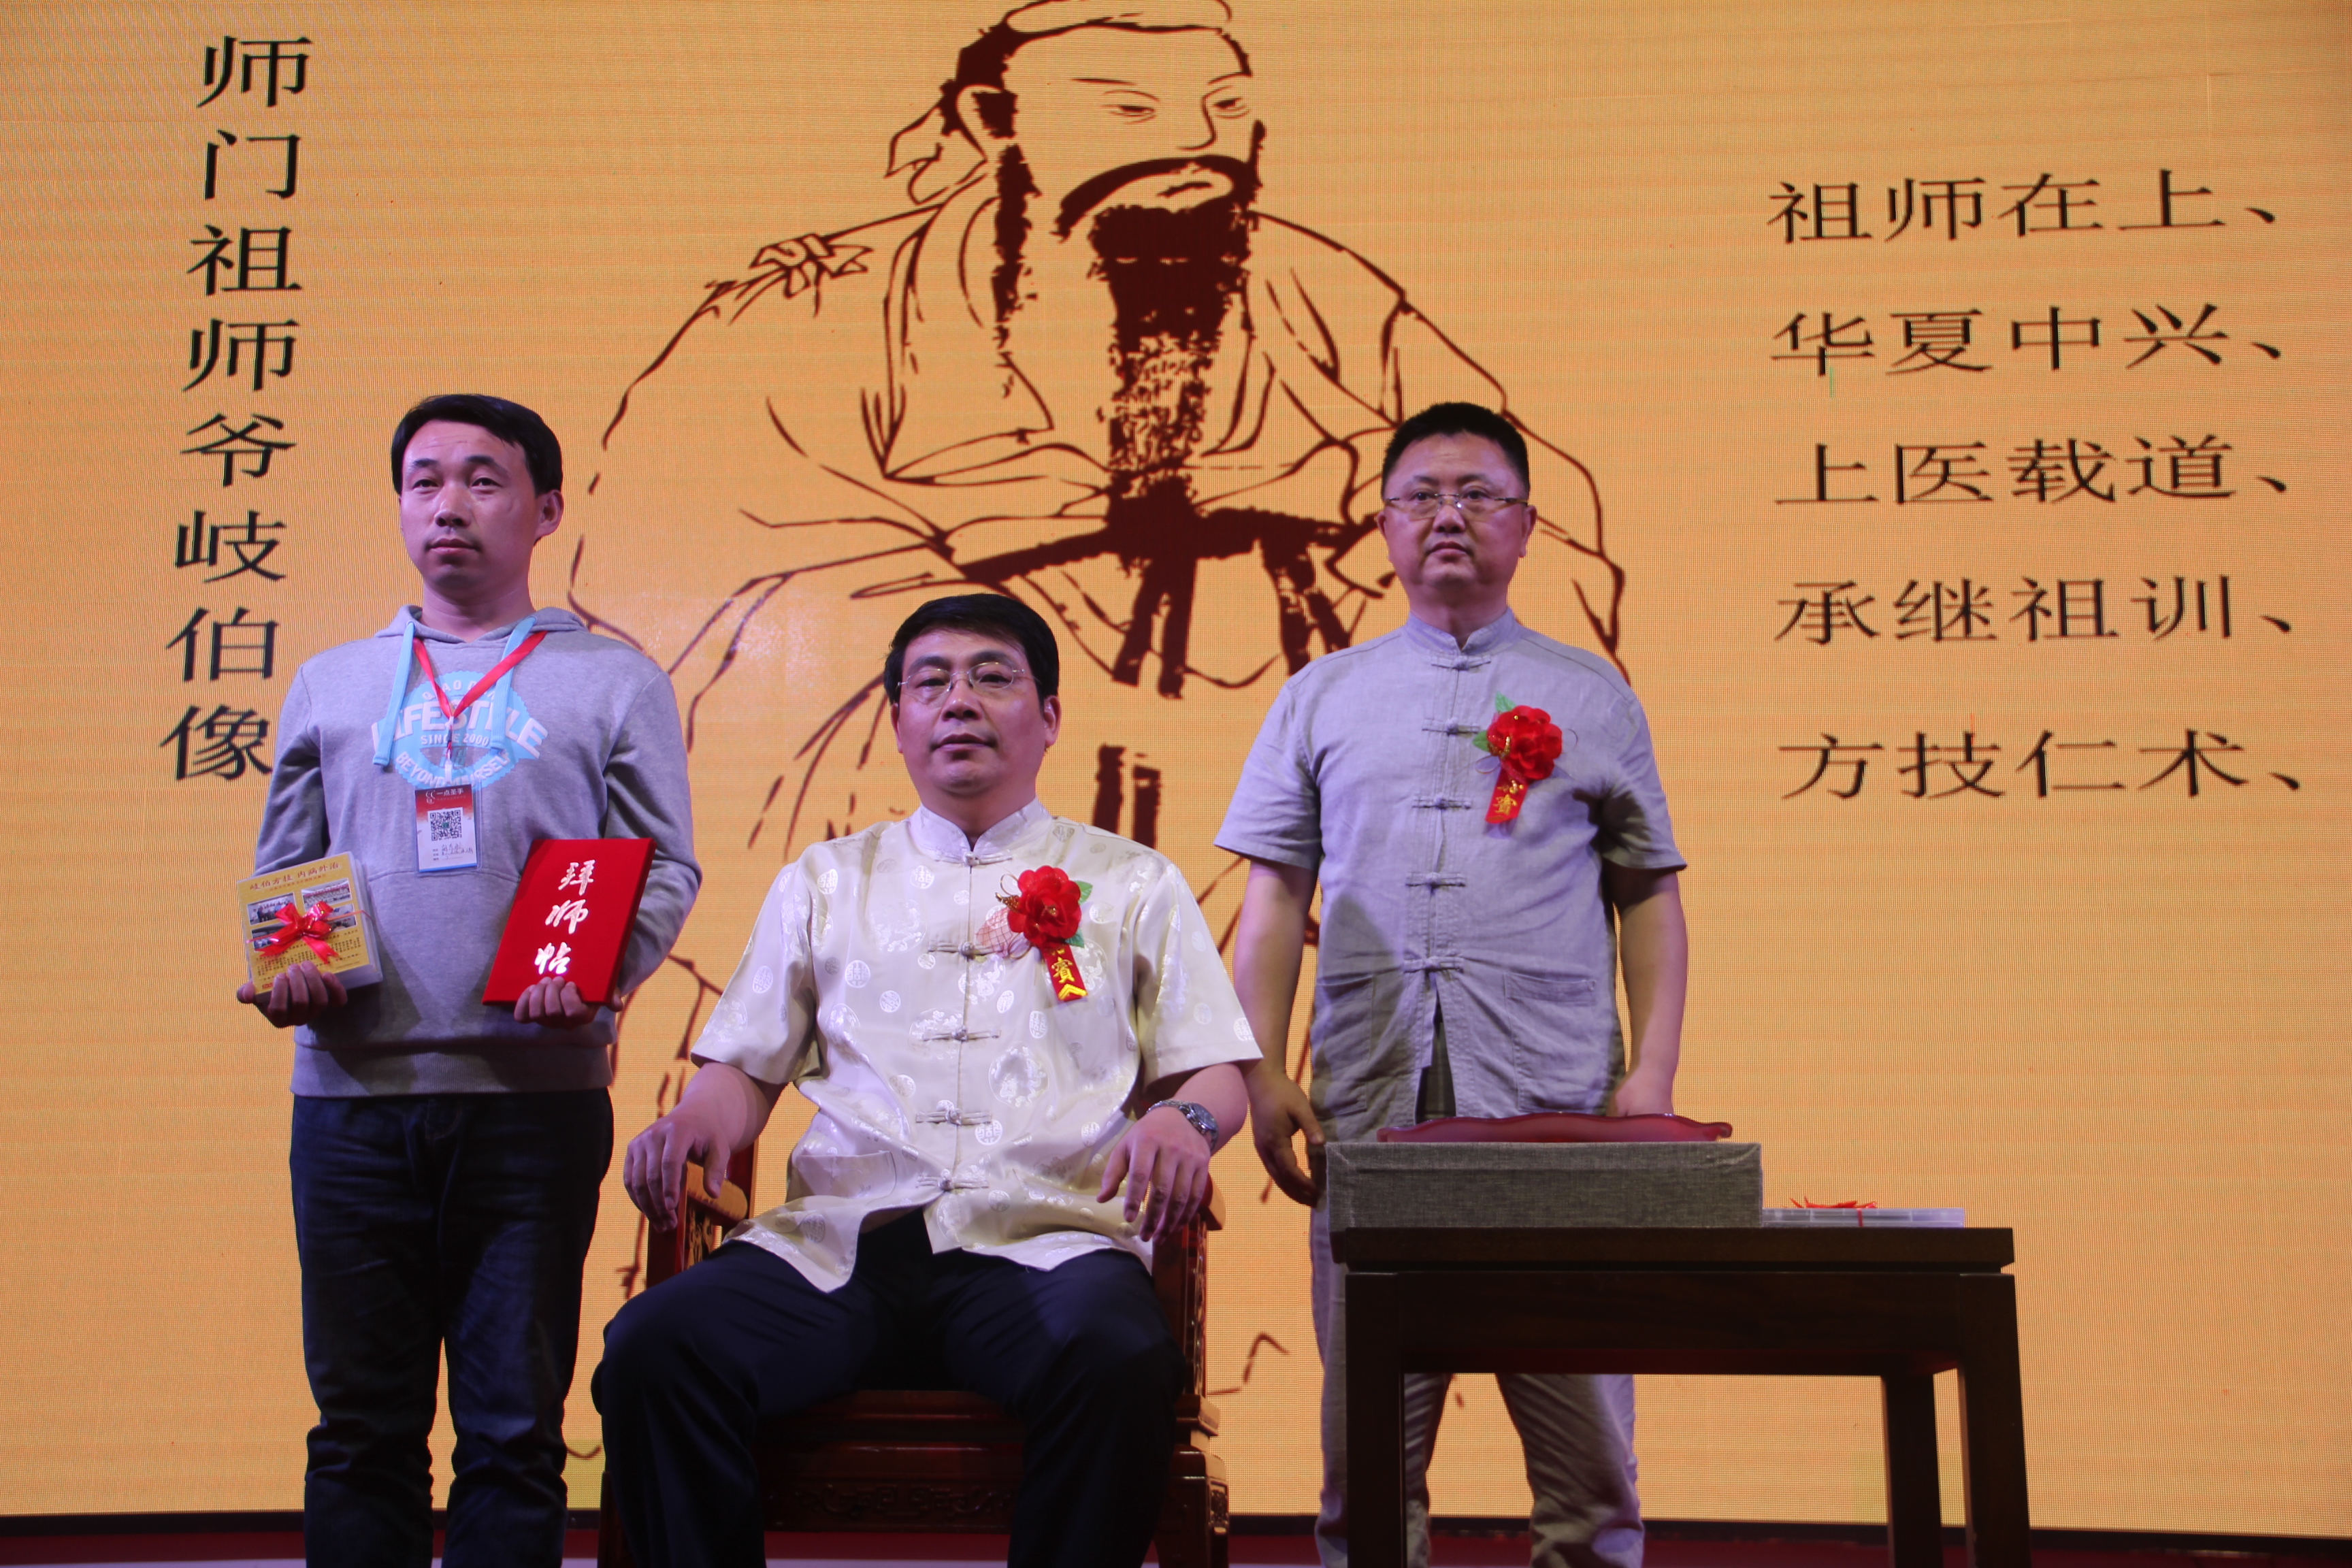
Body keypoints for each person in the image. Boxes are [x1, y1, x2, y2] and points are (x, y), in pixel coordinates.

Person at [564, 1, 1628, 1048]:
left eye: (1225, 108)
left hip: (1243, 783)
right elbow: (714, 579)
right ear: (995, 120)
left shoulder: (1315, 291)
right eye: (1128, 112)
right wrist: (1032, 602)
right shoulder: (820, 310)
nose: (1194, 151)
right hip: (986, 797)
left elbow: (1526, 520)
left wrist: (1337, 516)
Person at [594, 593, 1261, 1568]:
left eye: (992, 677)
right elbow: (743, 1069)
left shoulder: (1131, 882)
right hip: (842, 1250)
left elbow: (1216, 1067)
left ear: (1049, 717)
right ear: (899, 721)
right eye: (931, 683)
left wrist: (1186, 1120)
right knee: (656, 1348)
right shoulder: (826, 879)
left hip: (1047, 1247)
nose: (960, 702)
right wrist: (697, 1114)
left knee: (1118, 1356)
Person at [1215, 402, 1690, 1568]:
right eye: (1420, 495)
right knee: (1368, 1461)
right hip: (1373, 1101)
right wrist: (1262, 1070)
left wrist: (1652, 1076)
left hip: (1556, 1107)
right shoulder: (1320, 696)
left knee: (1591, 1465)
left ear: (1526, 526)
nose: (1448, 516)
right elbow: (1274, 900)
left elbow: (1648, 896)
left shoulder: (1592, 694)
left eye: (1478, 493)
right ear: (1383, 526)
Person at [240, 394, 701, 1568]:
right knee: (360, 1430)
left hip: (531, 1105)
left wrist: (598, 978)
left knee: (512, 1430)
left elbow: (662, 865)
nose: (449, 504)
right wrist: (293, 970)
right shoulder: (334, 684)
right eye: (425, 480)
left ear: (545, 511)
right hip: (350, 1107)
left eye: (483, 480)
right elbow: (290, 871)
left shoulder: (612, 681)